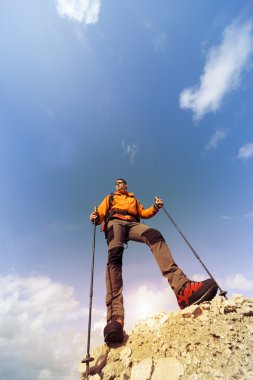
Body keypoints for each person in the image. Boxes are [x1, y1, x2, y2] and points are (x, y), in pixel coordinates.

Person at [89, 178, 218, 345]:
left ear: (126, 185)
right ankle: (115, 318)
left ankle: (183, 289)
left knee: (154, 235)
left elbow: (144, 213)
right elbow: (99, 214)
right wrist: (95, 217)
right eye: (116, 183)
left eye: (121, 182)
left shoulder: (133, 200)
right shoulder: (110, 198)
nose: (118, 184)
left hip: (132, 224)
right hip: (115, 222)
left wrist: (156, 207)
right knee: (114, 256)